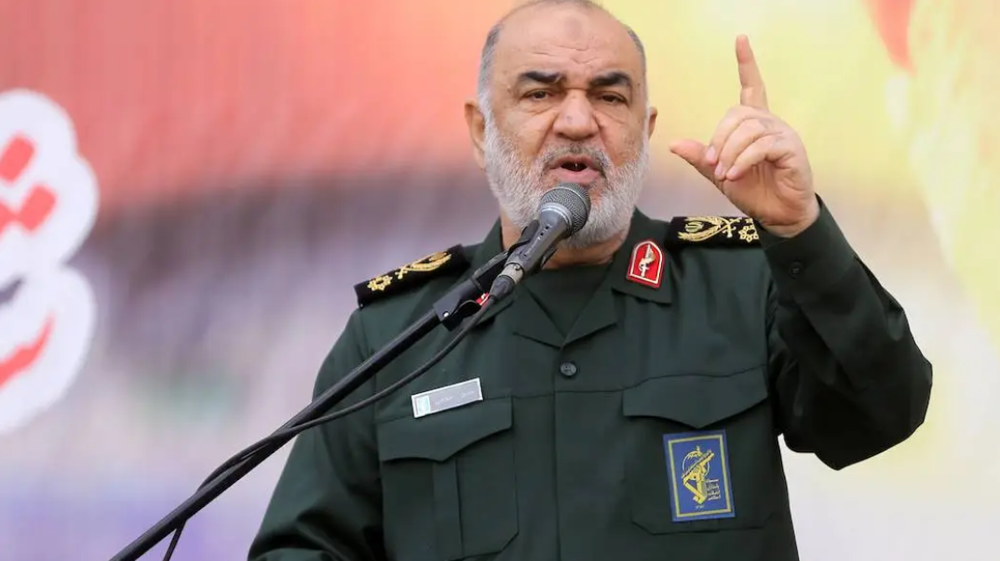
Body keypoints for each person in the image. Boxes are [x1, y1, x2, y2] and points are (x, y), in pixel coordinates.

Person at [247, 1, 932, 559]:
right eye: (540, 92)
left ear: (645, 127)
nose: (577, 121)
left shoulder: (742, 286)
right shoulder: (397, 331)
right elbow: (304, 547)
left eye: (610, 95)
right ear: (480, 130)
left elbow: (882, 412)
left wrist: (799, 227)